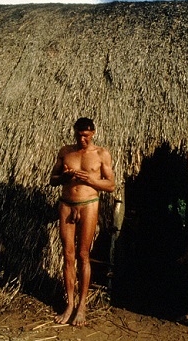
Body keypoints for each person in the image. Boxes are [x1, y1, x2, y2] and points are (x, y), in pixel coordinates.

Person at [49, 117, 115, 326]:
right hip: (66, 203)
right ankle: (69, 304)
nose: (82, 139)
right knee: (68, 254)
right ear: (74, 132)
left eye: (86, 135)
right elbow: (52, 179)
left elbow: (111, 185)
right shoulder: (66, 151)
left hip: (89, 204)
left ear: (93, 133)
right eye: (79, 135)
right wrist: (65, 178)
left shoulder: (101, 154)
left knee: (83, 255)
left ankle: (82, 306)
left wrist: (90, 180)